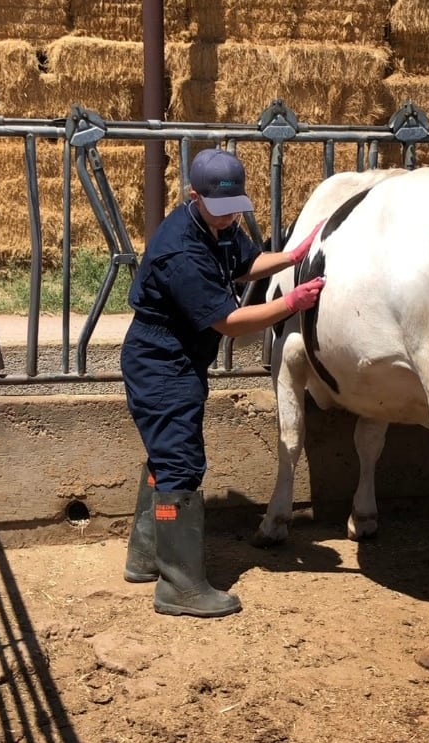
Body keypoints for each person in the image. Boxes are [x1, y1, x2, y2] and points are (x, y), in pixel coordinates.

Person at [120, 147, 325, 618]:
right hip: (161, 360)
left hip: (179, 357)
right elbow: (231, 321)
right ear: (195, 196)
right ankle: (179, 586)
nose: (231, 218)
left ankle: (146, 557)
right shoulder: (181, 250)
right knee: (181, 465)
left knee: (165, 455)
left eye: (237, 209)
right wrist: (292, 302)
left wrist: (291, 256)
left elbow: (243, 265)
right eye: (222, 209)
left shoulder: (218, 226)